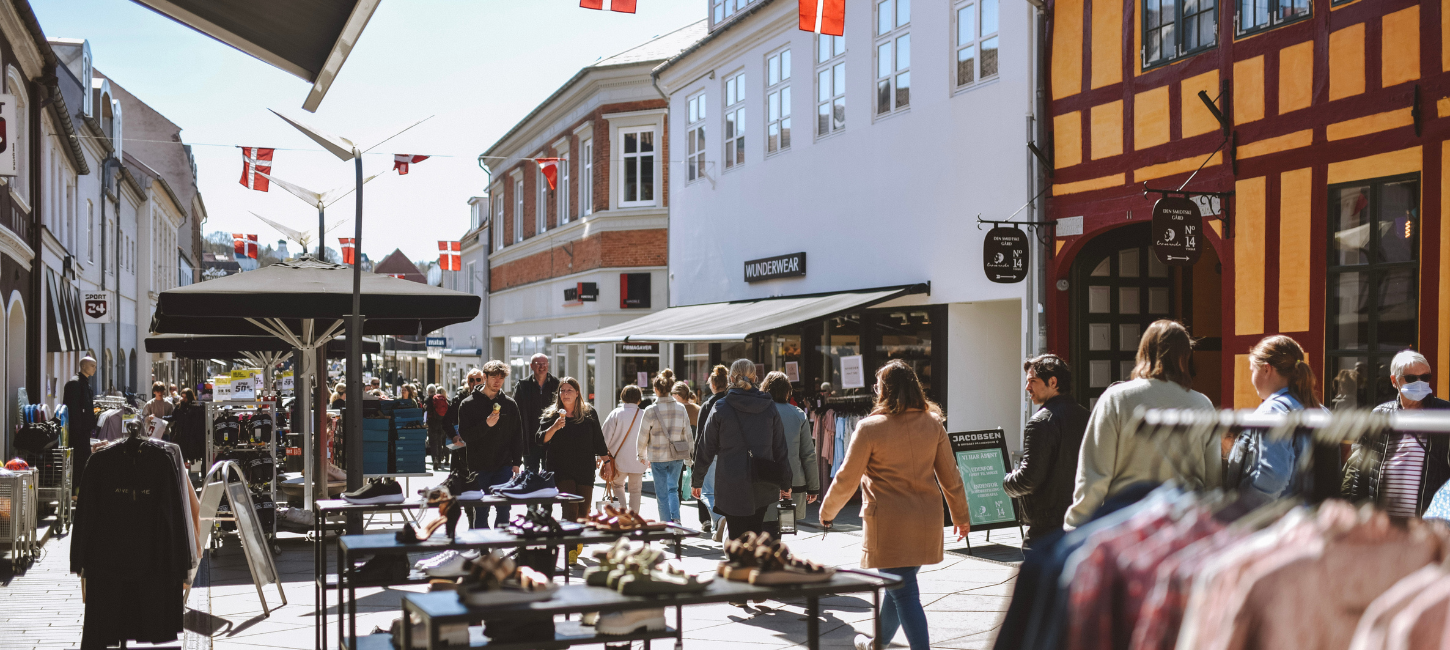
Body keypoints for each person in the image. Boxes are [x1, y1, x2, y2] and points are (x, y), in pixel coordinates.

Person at [819, 360, 970, 650]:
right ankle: (877, 644)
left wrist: (827, 513)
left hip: (889, 524)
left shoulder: (870, 427)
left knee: (903, 592)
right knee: (897, 587)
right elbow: (951, 476)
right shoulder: (933, 423)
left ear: (883, 391)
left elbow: (846, 478)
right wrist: (961, 515)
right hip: (926, 521)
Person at [1064, 320, 1217, 528]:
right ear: (1185, 356)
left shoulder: (1118, 399)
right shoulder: (1202, 403)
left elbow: (1095, 473)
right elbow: (1213, 475)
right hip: (1183, 522)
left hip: (1127, 521)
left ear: (1144, 351)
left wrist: (1076, 523)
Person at [1342, 349, 1450, 516]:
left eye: (1425, 377)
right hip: (1384, 524)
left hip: (1426, 525)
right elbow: (1362, 473)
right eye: (1412, 378)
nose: (1420, 383)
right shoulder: (1380, 415)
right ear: (1394, 381)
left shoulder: (1444, 414)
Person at [695, 359, 790, 539]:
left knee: (736, 535)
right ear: (755, 378)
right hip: (762, 480)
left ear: (731, 378)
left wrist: (697, 479)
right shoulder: (768, 406)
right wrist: (786, 482)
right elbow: (780, 447)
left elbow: (705, 446)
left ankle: (739, 563)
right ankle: (752, 562)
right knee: (755, 531)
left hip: (730, 481)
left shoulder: (720, 407)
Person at [1226, 336, 1326, 505]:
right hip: (1312, 520)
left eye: (1252, 370)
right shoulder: (1321, 411)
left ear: (1266, 369)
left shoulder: (1272, 411)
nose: (1251, 378)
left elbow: (1272, 477)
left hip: (1279, 523)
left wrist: (1243, 511)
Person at [1002, 354, 1088, 547]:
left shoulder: (1041, 422)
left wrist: (1007, 481)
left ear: (1053, 381)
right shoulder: (1087, 416)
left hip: (1047, 526)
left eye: (1032, 381)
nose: (1027, 388)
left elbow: (1028, 480)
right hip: (1082, 521)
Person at [538, 376, 609, 564]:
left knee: (584, 511)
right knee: (570, 507)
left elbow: (598, 441)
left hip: (584, 468)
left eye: (569, 390)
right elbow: (539, 440)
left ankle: (576, 541)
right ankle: (570, 550)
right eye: (562, 390)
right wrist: (554, 427)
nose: (565, 393)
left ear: (577, 393)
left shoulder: (589, 414)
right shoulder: (551, 415)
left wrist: (607, 462)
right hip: (560, 469)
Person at [454, 362, 525, 528]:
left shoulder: (509, 404)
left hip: (504, 464)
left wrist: (516, 462)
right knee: (481, 510)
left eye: (501, 377)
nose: (498, 381)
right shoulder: (468, 404)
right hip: (479, 466)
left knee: (504, 508)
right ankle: (483, 549)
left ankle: (498, 546)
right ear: (484, 377)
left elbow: (517, 435)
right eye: (494, 377)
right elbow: (466, 435)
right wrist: (486, 424)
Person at [761, 371, 820, 533]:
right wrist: (813, 487)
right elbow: (808, 454)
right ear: (788, 392)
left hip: (762, 480)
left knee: (763, 524)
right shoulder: (798, 414)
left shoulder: (758, 412)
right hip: (793, 483)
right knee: (780, 528)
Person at [637, 369, 693, 524]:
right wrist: (689, 459)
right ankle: (676, 521)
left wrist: (641, 455)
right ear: (670, 388)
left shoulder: (650, 410)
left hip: (657, 457)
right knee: (673, 489)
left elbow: (642, 436)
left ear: (656, 389)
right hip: (677, 456)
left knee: (662, 495)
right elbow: (688, 435)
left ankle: (667, 528)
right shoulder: (681, 408)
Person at [600, 385, 647, 512]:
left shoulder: (616, 413)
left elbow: (604, 438)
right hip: (639, 460)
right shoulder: (644, 415)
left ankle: (622, 513)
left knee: (617, 485)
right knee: (636, 490)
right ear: (639, 399)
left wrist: (601, 457)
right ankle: (633, 518)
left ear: (623, 397)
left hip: (618, 459)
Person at [513, 353, 560, 474]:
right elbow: (515, 412)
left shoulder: (557, 384)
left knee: (549, 478)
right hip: (530, 441)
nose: (542, 367)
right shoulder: (522, 386)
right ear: (531, 366)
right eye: (538, 364)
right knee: (530, 478)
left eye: (544, 364)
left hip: (551, 440)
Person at [63, 357, 99, 485]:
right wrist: (78, 430)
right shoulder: (75, 383)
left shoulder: (84, 383)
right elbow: (73, 409)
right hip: (77, 432)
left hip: (84, 430)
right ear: (83, 366)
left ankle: (78, 490)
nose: (95, 368)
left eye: (95, 366)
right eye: (92, 365)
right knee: (78, 461)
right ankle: (74, 490)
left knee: (83, 460)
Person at [672, 381, 699, 511]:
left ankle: (675, 513)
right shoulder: (698, 409)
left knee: (675, 485)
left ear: (677, 395)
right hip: (697, 450)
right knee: (700, 483)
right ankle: (705, 518)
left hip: (677, 450)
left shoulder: (675, 410)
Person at [170, 388, 206, 463]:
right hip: (181, 435)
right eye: (182, 397)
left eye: (185, 397)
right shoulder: (179, 407)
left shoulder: (195, 408)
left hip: (191, 436)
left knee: (190, 454)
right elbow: (173, 417)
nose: (183, 399)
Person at [427, 385, 452, 470]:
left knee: (433, 443)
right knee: (441, 442)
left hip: (432, 424)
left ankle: (435, 459)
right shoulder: (446, 401)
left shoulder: (431, 400)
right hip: (442, 425)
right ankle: (443, 460)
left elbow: (427, 412)